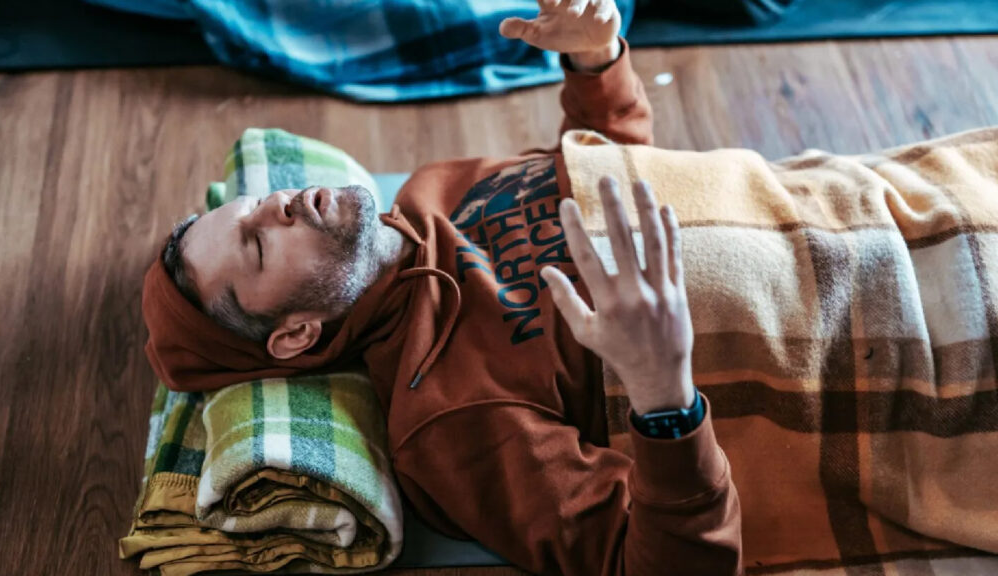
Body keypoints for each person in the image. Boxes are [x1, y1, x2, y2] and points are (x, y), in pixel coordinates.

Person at [142, 1, 744, 574]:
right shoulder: (448, 421)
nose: (279, 203)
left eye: (253, 204)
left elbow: (604, 176)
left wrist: (596, 63)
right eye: (257, 244)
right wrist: (666, 398)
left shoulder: (430, 192)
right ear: (296, 335)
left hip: (817, 184)